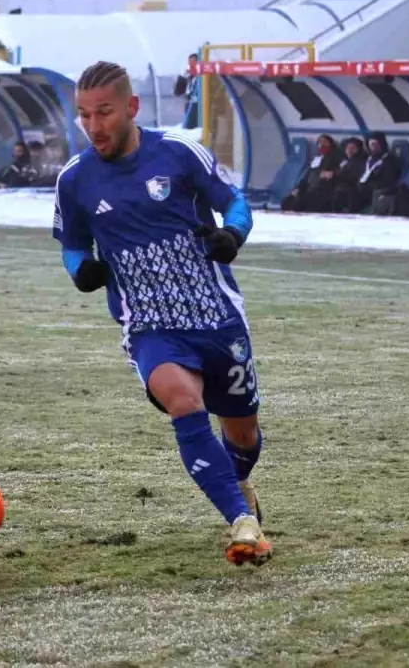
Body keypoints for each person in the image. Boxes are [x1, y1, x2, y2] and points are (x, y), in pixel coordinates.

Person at [53, 61, 272, 566]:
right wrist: (80, 269)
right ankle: (241, 521)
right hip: (150, 326)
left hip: (216, 316)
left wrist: (231, 235)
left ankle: (239, 482)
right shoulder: (75, 179)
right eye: (84, 115)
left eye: (104, 112)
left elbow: (235, 202)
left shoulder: (177, 153)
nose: (94, 125)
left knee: (243, 434)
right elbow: (71, 243)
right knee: (183, 403)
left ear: (130, 108)